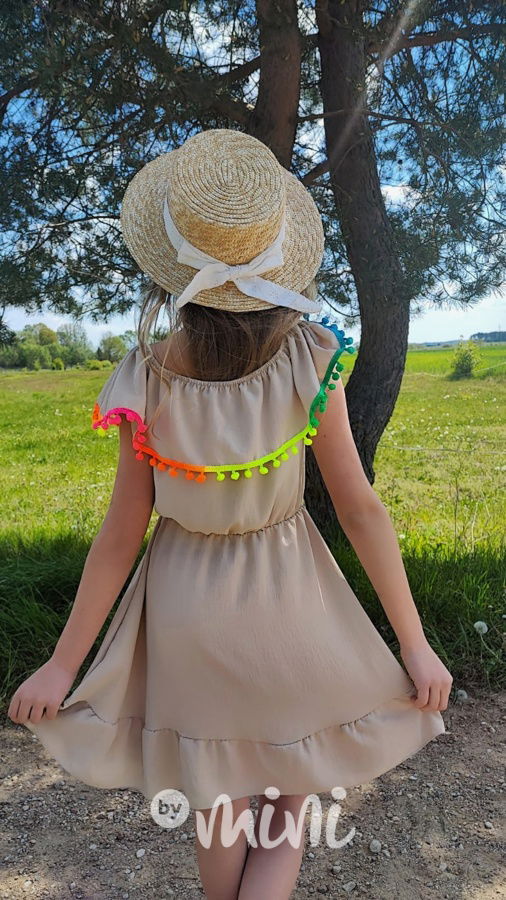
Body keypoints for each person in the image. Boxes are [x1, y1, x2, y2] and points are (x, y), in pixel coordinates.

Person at [8, 128, 452, 900]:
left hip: (187, 613)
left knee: (220, 801)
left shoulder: (145, 377)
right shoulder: (309, 359)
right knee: (289, 793)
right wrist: (413, 644)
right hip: (290, 602)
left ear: (167, 264)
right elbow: (360, 508)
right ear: (278, 251)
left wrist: (64, 661)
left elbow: (121, 537)